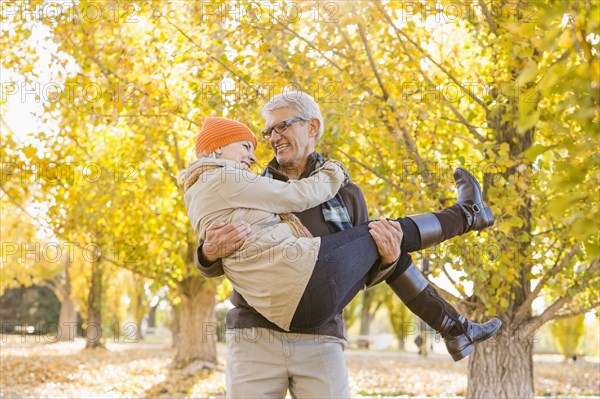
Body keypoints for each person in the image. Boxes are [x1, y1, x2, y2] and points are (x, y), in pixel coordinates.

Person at [190, 93, 498, 397]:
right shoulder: (247, 180)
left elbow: (356, 272)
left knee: (383, 236)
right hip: (255, 336)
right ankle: (466, 226)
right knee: (381, 232)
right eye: (268, 131)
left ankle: (455, 322)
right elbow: (217, 256)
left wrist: (388, 259)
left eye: (281, 126)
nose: (272, 137)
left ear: (312, 127)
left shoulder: (347, 195)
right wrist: (207, 252)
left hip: (320, 337)